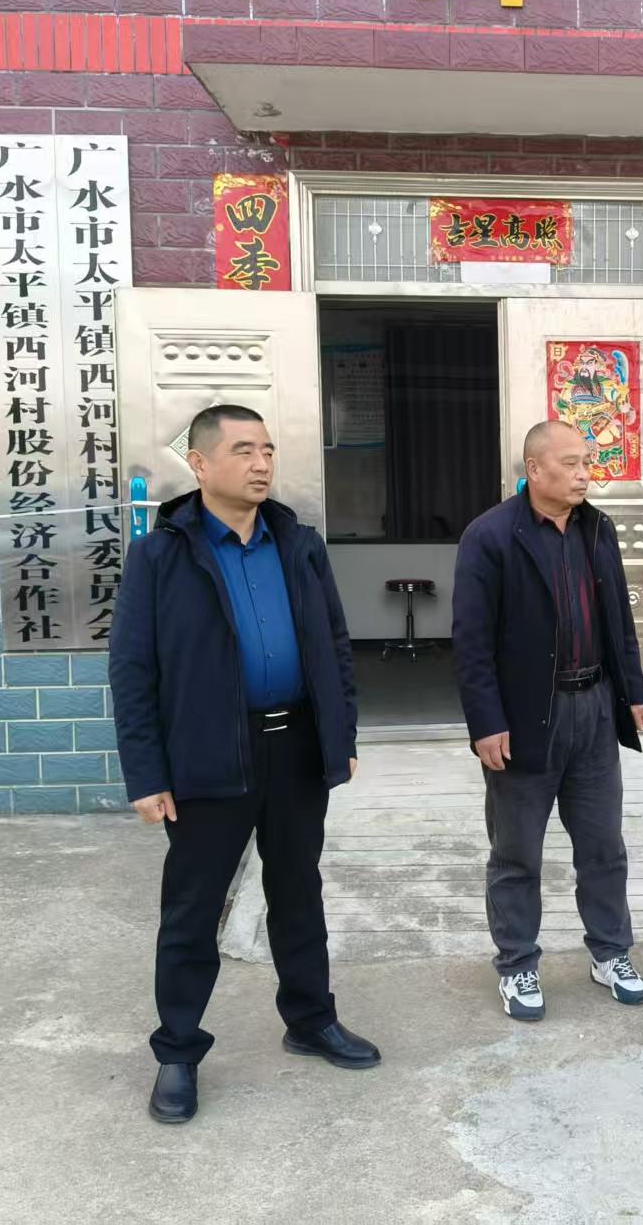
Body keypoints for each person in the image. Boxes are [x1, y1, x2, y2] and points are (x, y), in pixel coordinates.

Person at [110, 404, 379, 1125]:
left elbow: (334, 645)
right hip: (207, 754)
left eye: (267, 449)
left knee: (298, 892)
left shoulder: (298, 543)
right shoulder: (162, 555)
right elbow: (133, 670)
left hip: (296, 749)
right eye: (242, 450)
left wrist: (340, 734)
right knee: (193, 908)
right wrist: (146, 774)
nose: (261, 464)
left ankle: (311, 1019)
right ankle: (177, 1051)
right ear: (199, 464)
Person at [453, 420, 643, 1021]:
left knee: (603, 845)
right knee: (517, 853)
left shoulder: (597, 528)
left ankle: (610, 952)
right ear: (534, 469)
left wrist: (632, 692)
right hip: (524, 719)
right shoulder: (491, 536)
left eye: (587, 462)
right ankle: (517, 964)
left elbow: (617, 619)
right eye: (571, 464)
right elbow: (471, 641)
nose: (585, 474)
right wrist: (486, 722)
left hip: (594, 709)